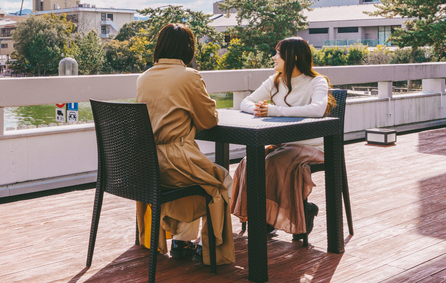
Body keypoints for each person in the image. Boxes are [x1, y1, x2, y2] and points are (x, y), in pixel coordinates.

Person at [135, 23, 235, 266]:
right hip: (177, 160)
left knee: (198, 179)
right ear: (189, 49)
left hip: (148, 166)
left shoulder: (143, 77)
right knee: (222, 181)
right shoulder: (189, 76)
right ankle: (207, 245)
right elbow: (209, 121)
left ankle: (181, 240)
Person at [230, 36, 334, 242]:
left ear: (292, 57)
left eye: (278, 53)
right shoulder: (275, 80)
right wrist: (260, 110)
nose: (274, 57)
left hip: (311, 146)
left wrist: (274, 110)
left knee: (273, 163)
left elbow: (318, 109)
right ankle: (267, 216)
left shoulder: (317, 81)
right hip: (284, 143)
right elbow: (245, 102)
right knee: (249, 163)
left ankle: (284, 216)